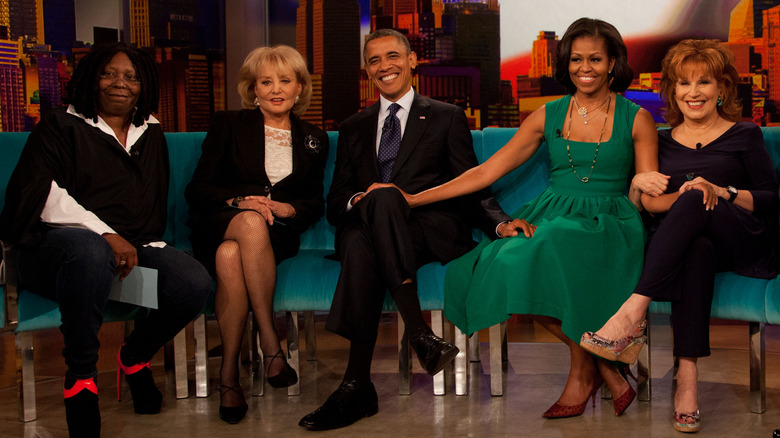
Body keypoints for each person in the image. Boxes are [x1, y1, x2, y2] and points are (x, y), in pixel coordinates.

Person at [367, 18, 663, 419]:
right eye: (576, 59)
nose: (585, 68)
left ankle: (583, 375)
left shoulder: (637, 118)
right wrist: (414, 198)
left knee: (549, 243)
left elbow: (647, 188)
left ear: (613, 63)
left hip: (612, 222)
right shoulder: (547, 115)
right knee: (506, 262)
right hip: (555, 213)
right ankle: (602, 362)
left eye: (595, 58)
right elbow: (484, 173)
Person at [297, 29, 513, 431]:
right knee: (370, 219)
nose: (384, 66)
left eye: (393, 56)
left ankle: (357, 384)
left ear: (413, 61)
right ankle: (418, 336)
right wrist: (357, 202)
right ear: (366, 71)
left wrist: (498, 222)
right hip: (370, 229)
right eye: (374, 60)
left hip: (428, 228)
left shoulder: (447, 117)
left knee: (376, 216)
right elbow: (336, 199)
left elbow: (472, 183)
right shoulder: (353, 126)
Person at [0, 42, 211, 437]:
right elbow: (42, 195)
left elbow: (148, 201)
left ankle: (134, 357)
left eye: (131, 76)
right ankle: (81, 377)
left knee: (192, 283)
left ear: (143, 84)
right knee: (89, 249)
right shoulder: (59, 124)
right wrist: (107, 234)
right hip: (54, 250)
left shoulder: (150, 131)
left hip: (124, 249)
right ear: (91, 78)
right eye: (109, 73)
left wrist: (137, 242)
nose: (120, 83)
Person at [581, 39, 778, 433]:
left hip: (741, 237)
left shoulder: (745, 134)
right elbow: (650, 204)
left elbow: (772, 199)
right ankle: (687, 381)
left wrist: (726, 192)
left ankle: (631, 313)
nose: (693, 93)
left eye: (704, 82)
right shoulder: (661, 140)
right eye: (683, 84)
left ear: (722, 88)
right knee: (695, 246)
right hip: (692, 242)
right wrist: (637, 184)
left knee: (695, 193)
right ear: (671, 90)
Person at [185, 45, 329, 424]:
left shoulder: (315, 138)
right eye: (266, 81)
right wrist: (240, 201)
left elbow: (314, 201)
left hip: (277, 233)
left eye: (285, 80)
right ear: (253, 89)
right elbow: (198, 190)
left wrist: (290, 208)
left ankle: (229, 375)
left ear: (300, 88)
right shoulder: (228, 125)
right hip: (223, 219)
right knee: (247, 224)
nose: (276, 89)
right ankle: (270, 342)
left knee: (229, 257)